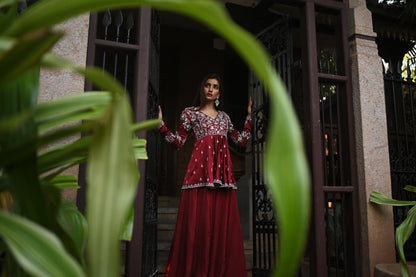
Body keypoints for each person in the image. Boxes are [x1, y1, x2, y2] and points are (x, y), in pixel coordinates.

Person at [158, 73, 252, 277]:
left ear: (219, 92)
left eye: (215, 86)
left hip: (222, 180)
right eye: (208, 85)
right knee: (198, 227)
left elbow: (242, 141)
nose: (211, 89)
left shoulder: (225, 117)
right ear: (202, 89)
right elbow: (178, 143)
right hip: (198, 177)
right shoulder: (190, 114)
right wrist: (161, 126)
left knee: (220, 229)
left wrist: (250, 117)